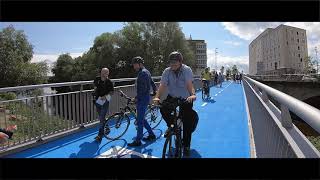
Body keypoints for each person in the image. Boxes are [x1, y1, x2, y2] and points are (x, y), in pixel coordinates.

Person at [153, 51, 197, 157]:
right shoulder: (167, 71)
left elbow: (189, 84)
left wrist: (192, 95)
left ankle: (186, 145)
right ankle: (172, 126)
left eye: (175, 64)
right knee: (163, 108)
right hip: (172, 96)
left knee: (187, 122)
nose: (173, 66)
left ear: (180, 62)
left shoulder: (187, 70)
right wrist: (157, 97)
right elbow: (162, 85)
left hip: (185, 98)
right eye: (171, 63)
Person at [127, 56, 157, 147]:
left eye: (135, 65)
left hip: (142, 99)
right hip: (145, 98)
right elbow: (152, 82)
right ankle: (151, 134)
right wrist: (155, 91)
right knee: (142, 119)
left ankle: (138, 140)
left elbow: (142, 89)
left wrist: (136, 98)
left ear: (140, 64)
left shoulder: (142, 73)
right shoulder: (146, 71)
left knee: (140, 121)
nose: (134, 67)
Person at [93, 68, 114, 143]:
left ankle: (100, 135)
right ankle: (107, 127)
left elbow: (112, 92)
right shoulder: (97, 79)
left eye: (106, 72)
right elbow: (95, 87)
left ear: (108, 73)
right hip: (97, 101)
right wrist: (95, 95)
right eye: (102, 72)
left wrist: (105, 97)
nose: (104, 74)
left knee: (101, 119)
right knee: (101, 117)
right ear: (101, 72)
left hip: (105, 101)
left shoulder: (109, 82)